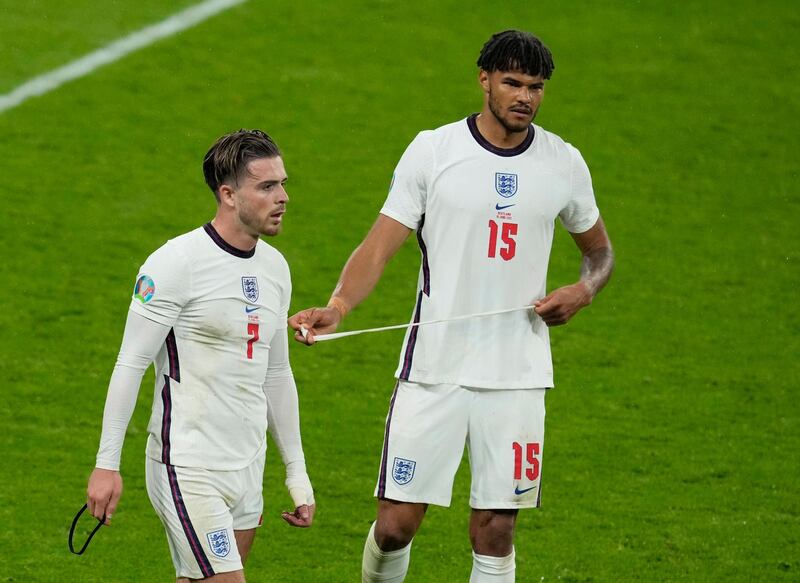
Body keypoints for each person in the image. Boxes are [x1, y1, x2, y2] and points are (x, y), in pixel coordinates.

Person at [289, 30, 614, 582]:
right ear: (484, 79)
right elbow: (379, 245)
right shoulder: (434, 150)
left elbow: (599, 251)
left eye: (536, 87)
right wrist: (339, 305)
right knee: (395, 524)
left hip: (517, 374)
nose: (524, 97)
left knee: (496, 529)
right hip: (433, 369)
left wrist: (585, 289)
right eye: (512, 82)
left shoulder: (564, 162)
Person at [86, 129, 315, 582]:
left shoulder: (276, 268)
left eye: (283, 183)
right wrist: (106, 465)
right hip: (187, 465)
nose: (283, 196)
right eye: (267, 187)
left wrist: (297, 474)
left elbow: (276, 373)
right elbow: (130, 363)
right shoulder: (176, 263)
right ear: (228, 194)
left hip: (248, 465)